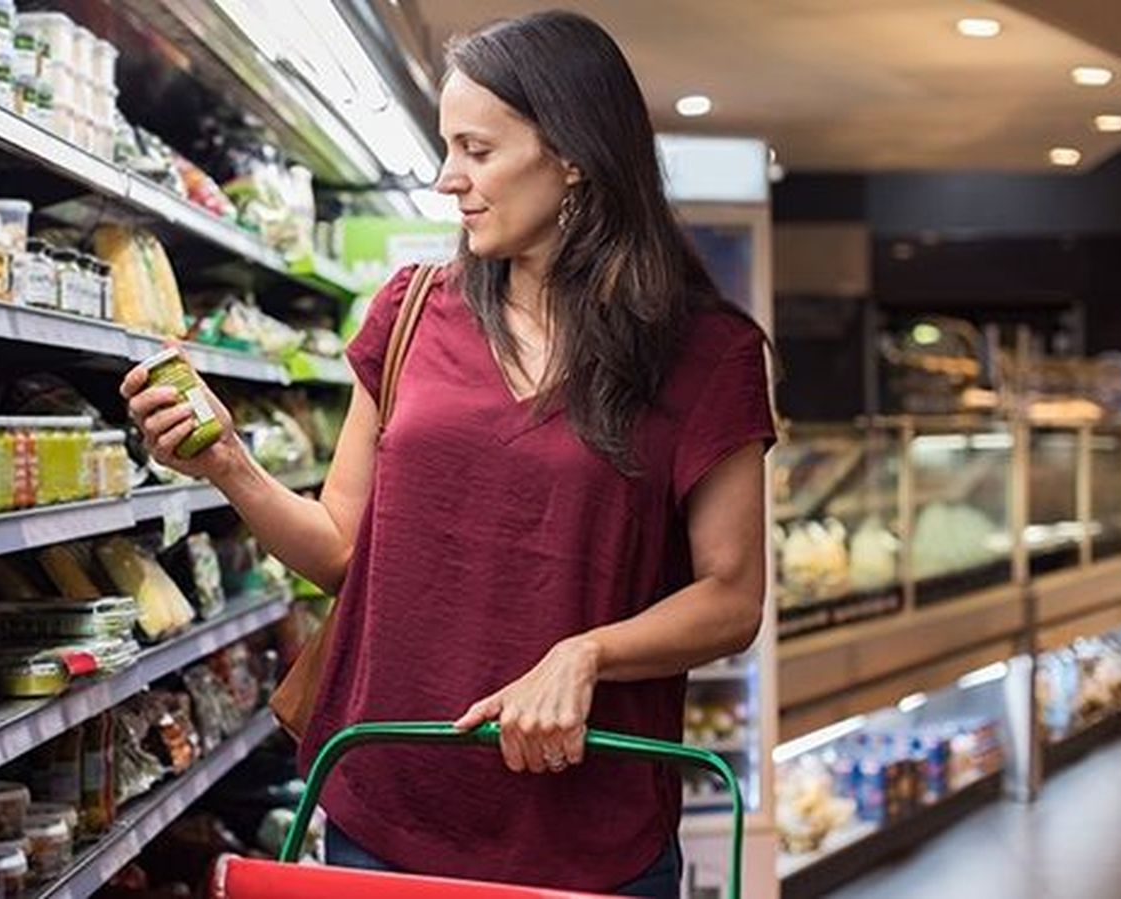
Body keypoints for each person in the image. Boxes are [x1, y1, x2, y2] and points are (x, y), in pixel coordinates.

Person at [121, 10, 773, 897]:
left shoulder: (707, 352)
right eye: (446, 147)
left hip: (593, 834)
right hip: (390, 806)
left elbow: (731, 598)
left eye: (476, 149)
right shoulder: (411, 311)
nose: (446, 179)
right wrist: (230, 461)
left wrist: (586, 653)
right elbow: (344, 550)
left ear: (574, 155)